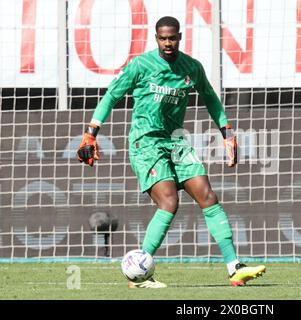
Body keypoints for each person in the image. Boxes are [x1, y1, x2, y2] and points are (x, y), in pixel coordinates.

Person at [77, 16, 266, 288]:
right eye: (163, 38)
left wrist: (227, 132)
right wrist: (90, 133)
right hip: (146, 142)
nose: (168, 43)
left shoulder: (191, 67)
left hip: (176, 141)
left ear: (180, 37)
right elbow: (111, 95)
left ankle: (234, 267)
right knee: (169, 202)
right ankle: (139, 274)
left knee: (208, 195)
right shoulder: (141, 65)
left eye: (173, 37)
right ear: (156, 38)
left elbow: (211, 97)